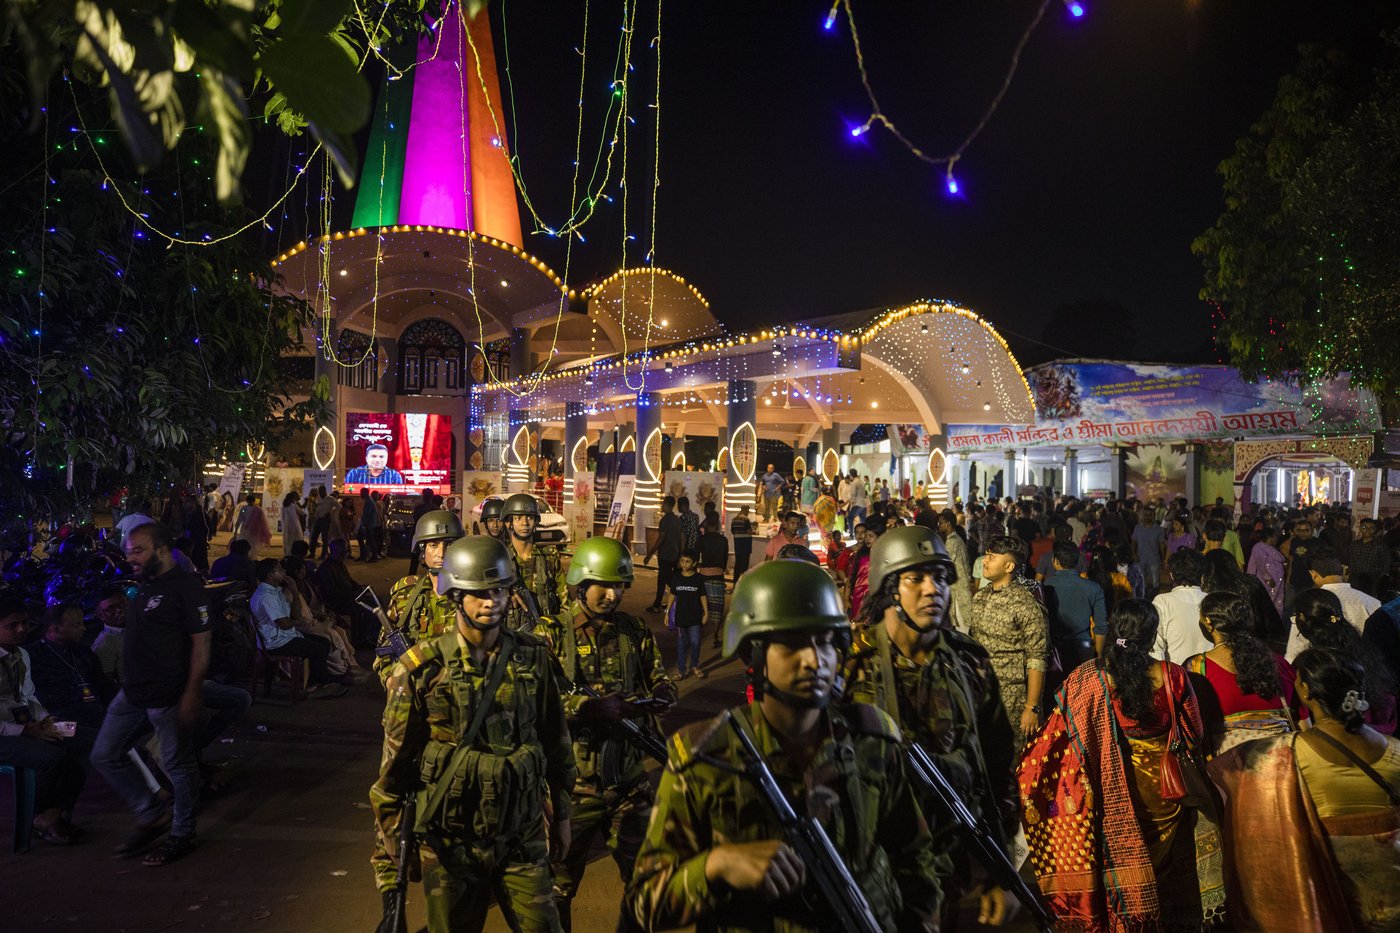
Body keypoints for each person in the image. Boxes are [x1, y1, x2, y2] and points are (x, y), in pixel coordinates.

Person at [627, 559, 944, 931]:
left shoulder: (872, 741)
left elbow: (915, 861)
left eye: (826, 643)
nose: (815, 661)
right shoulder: (705, 757)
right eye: (793, 646)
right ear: (753, 655)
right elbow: (646, 904)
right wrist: (715, 866)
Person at [369, 535, 575, 933]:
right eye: (478, 593)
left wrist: (563, 815)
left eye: (499, 590)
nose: (491, 601)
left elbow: (556, 743)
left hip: (522, 833)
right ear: (455, 595)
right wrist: (391, 855)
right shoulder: (421, 669)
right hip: (450, 841)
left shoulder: (532, 657)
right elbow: (392, 773)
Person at [845, 525, 1017, 928]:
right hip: (867, 863)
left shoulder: (967, 662)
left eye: (940, 577)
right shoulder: (847, 660)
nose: (932, 589)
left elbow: (995, 767)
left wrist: (1000, 869)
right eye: (916, 578)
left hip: (946, 866)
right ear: (888, 587)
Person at [1019, 599, 1219, 930]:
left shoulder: (1089, 677)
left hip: (1113, 787)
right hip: (1164, 788)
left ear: (1113, 631)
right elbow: (1193, 732)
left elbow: (1061, 734)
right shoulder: (1173, 675)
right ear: (1153, 635)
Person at [537, 535, 676, 931]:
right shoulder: (550, 634)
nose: (612, 595)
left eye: (619, 586)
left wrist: (663, 693)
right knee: (556, 887)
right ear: (581, 583)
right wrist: (588, 708)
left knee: (648, 883)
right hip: (570, 788)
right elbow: (535, 702)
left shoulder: (633, 631)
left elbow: (657, 675)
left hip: (628, 784)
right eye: (603, 585)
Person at [1208, 647, 1400, 930]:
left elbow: (1226, 774)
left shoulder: (1281, 755)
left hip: (1330, 894)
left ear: (1307, 692)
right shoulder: (1395, 750)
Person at [91, 523, 211, 866]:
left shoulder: (187, 589)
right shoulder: (146, 584)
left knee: (178, 764)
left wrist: (191, 691)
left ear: (161, 549)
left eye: (138, 550)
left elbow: (202, 645)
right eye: (128, 551)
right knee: (104, 754)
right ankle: (149, 813)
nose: (131, 557)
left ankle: (182, 832)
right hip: (133, 692)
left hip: (168, 694)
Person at [0, 598, 93, 845]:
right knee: (50, 757)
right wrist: (24, 730)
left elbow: (29, 696)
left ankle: (55, 813)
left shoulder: (22, 654)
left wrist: (46, 719)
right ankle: (38, 816)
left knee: (87, 738)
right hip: (5, 734)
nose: (21, 629)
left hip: (26, 725)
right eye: (13, 625)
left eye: (24, 623)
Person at [1184, 590, 1305, 757]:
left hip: (1227, 770)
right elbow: (1303, 722)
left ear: (1208, 622)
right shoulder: (1278, 663)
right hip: (1282, 765)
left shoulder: (1196, 668)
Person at [971, 535, 1050, 745]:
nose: (985, 561)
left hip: (1013, 700)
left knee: (1014, 764)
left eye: (991, 557)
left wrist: (1031, 707)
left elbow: (1038, 658)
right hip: (982, 695)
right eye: (986, 555)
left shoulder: (1026, 605)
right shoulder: (979, 597)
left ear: (1008, 566)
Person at [372, 510, 465, 685]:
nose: (441, 553)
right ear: (422, 550)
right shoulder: (405, 595)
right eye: (433, 545)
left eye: (449, 544)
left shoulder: (473, 597)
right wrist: (392, 680)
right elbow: (384, 651)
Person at [1290, 587, 1397, 733]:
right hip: (1381, 733)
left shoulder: (1313, 666)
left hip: (1339, 739)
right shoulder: (1365, 649)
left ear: (1302, 618)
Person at [249, 559, 347, 698]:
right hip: (276, 642)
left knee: (323, 642)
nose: (284, 571)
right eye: (280, 569)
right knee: (317, 649)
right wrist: (298, 622)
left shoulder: (276, 591)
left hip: (286, 635)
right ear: (270, 574)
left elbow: (294, 614)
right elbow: (284, 623)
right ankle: (322, 685)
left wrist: (295, 592)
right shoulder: (266, 596)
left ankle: (314, 683)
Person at [1286, 544, 1383, 661]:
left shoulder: (1309, 604)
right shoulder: (1372, 602)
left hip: (1323, 670)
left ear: (1313, 574)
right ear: (1343, 569)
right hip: (1364, 669)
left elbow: (1294, 652)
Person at [1043, 539, 1107, 699]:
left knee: (1055, 698)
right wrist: (1099, 656)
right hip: (1083, 649)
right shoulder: (1093, 588)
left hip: (1054, 651)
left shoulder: (1046, 586)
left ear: (1055, 562)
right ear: (1077, 561)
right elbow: (1100, 626)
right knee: (1081, 697)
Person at [499, 493, 568, 629]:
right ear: (509, 523)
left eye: (530, 517)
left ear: (536, 521)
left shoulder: (549, 557)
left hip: (547, 635)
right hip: (510, 636)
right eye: (518, 518)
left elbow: (565, 602)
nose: (525, 523)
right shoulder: (499, 559)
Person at [1151, 548, 1210, 663]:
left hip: (1177, 677)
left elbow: (1156, 649)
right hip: (1210, 676)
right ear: (1202, 576)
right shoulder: (1212, 600)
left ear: (1172, 575)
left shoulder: (1163, 601)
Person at [666, 549, 707, 679]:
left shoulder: (698, 579)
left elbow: (703, 596)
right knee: (681, 645)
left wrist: (706, 612)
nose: (684, 564)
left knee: (695, 643)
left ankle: (694, 665)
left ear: (694, 563)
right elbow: (672, 595)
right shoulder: (677, 577)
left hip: (695, 617)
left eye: (688, 561)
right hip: (680, 617)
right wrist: (667, 612)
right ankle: (681, 670)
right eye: (682, 561)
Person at [936, 508, 974, 632]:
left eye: (941, 522)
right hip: (961, 589)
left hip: (959, 592)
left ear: (948, 524)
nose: (939, 525)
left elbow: (946, 567)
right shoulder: (956, 539)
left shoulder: (952, 542)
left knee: (962, 632)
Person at [697, 514, 728, 649]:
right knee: (717, 608)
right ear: (717, 526)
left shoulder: (702, 539)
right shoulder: (723, 540)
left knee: (702, 606)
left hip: (703, 574)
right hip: (717, 574)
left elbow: (695, 555)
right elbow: (725, 558)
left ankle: (699, 633)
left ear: (707, 525)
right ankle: (715, 636)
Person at [92, 586, 130, 686]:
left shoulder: (138, 626)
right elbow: (107, 683)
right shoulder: (104, 644)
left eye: (122, 604)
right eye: (111, 608)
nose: (118, 610)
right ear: (101, 615)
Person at [1246, 524, 1286, 616]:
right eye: (1275, 537)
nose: (1277, 539)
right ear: (1269, 537)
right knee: (1264, 606)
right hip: (1265, 583)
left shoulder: (1271, 548)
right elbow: (1260, 564)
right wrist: (1269, 579)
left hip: (1275, 585)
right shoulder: (1258, 547)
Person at [1132, 507, 1167, 595]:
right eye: (1146, 515)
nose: (1148, 517)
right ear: (1142, 516)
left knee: (1155, 583)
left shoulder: (1159, 529)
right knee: (1141, 581)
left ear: (1154, 516)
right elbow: (1134, 543)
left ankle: (1155, 599)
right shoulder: (1137, 528)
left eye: (1150, 515)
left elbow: (1161, 545)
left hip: (1154, 559)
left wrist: (1163, 559)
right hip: (1140, 558)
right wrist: (1134, 555)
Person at [309, 487, 338, 558]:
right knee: (314, 536)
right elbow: (316, 508)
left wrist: (331, 513)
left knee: (324, 537)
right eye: (319, 492)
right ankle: (312, 553)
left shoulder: (330, 499)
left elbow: (338, 506)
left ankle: (324, 553)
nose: (320, 493)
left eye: (322, 491)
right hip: (318, 519)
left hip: (326, 519)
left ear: (325, 491)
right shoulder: (318, 499)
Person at [355, 487, 382, 562]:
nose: (360, 494)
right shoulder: (369, 501)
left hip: (368, 524)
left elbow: (367, 514)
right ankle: (366, 555)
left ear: (365, 493)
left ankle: (372, 556)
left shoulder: (369, 502)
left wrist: (363, 525)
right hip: (368, 524)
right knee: (368, 539)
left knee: (369, 540)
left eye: (361, 493)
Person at [279, 490, 306, 558]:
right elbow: (302, 513)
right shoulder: (293, 506)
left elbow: (282, 517)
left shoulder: (283, 507)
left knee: (287, 540)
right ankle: (295, 552)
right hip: (295, 525)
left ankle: (287, 553)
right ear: (292, 499)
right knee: (296, 539)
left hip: (286, 526)